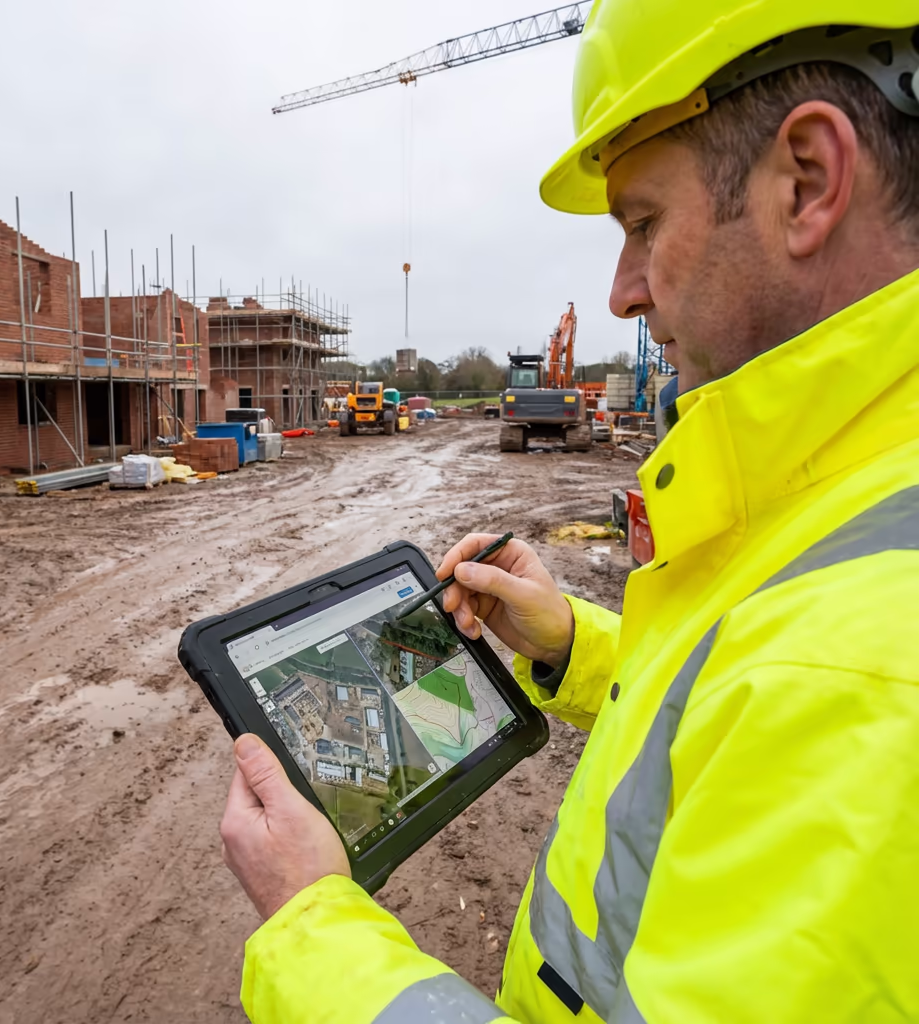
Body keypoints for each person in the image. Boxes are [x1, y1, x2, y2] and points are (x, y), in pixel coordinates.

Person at [219, 1, 919, 1020]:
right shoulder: (847, 494)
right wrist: (573, 651)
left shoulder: (863, 679)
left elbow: (798, 678)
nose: (622, 292)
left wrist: (312, 919)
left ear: (806, 181)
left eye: (643, 223)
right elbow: (732, 691)